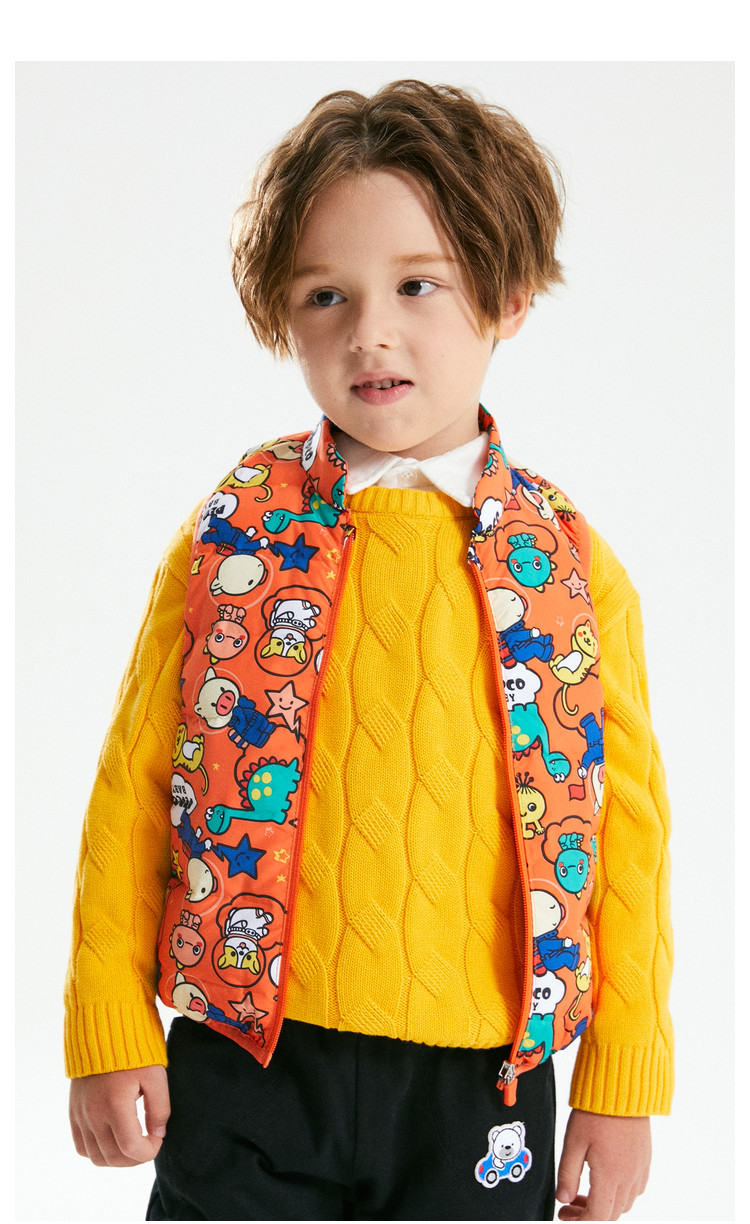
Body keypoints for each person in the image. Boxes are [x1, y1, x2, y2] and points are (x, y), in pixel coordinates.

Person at [65, 80, 673, 1221]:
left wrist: (621, 1081)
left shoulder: (569, 565)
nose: (369, 333)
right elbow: (134, 782)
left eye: (417, 285)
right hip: (246, 1051)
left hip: (482, 1076)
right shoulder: (235, 530)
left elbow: (627, 837)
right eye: (325, 295)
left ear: (509, 297)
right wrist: (107, 1019)